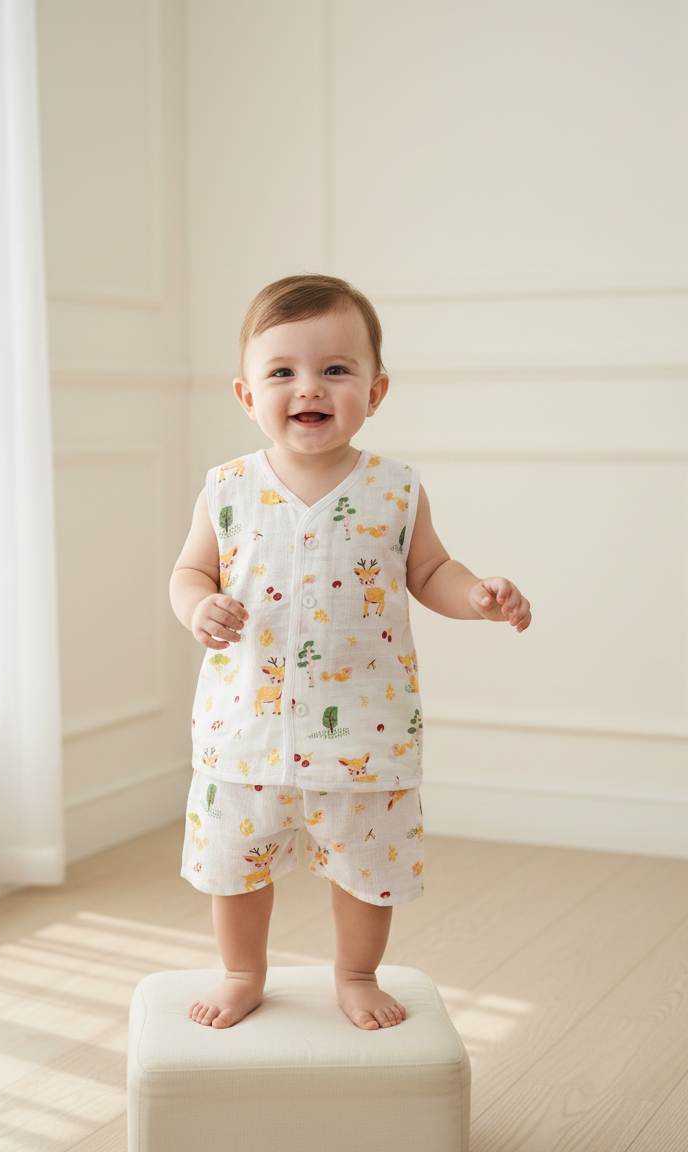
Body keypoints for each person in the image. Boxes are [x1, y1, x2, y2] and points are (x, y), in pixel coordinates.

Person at [169, 274, 531, 1031]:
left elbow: (430, 571)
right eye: (283, 372)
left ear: (377, 388)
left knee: (369, 867)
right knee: (235, 868)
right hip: (247, 731)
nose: (311, 387)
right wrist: (199, 606)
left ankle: (357, 973)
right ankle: (242, 970)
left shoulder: (395, 491)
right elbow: (190, 571)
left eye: (336, 369)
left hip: (364, 731)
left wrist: (476, 596)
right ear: (246, 395)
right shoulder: (228, 489)